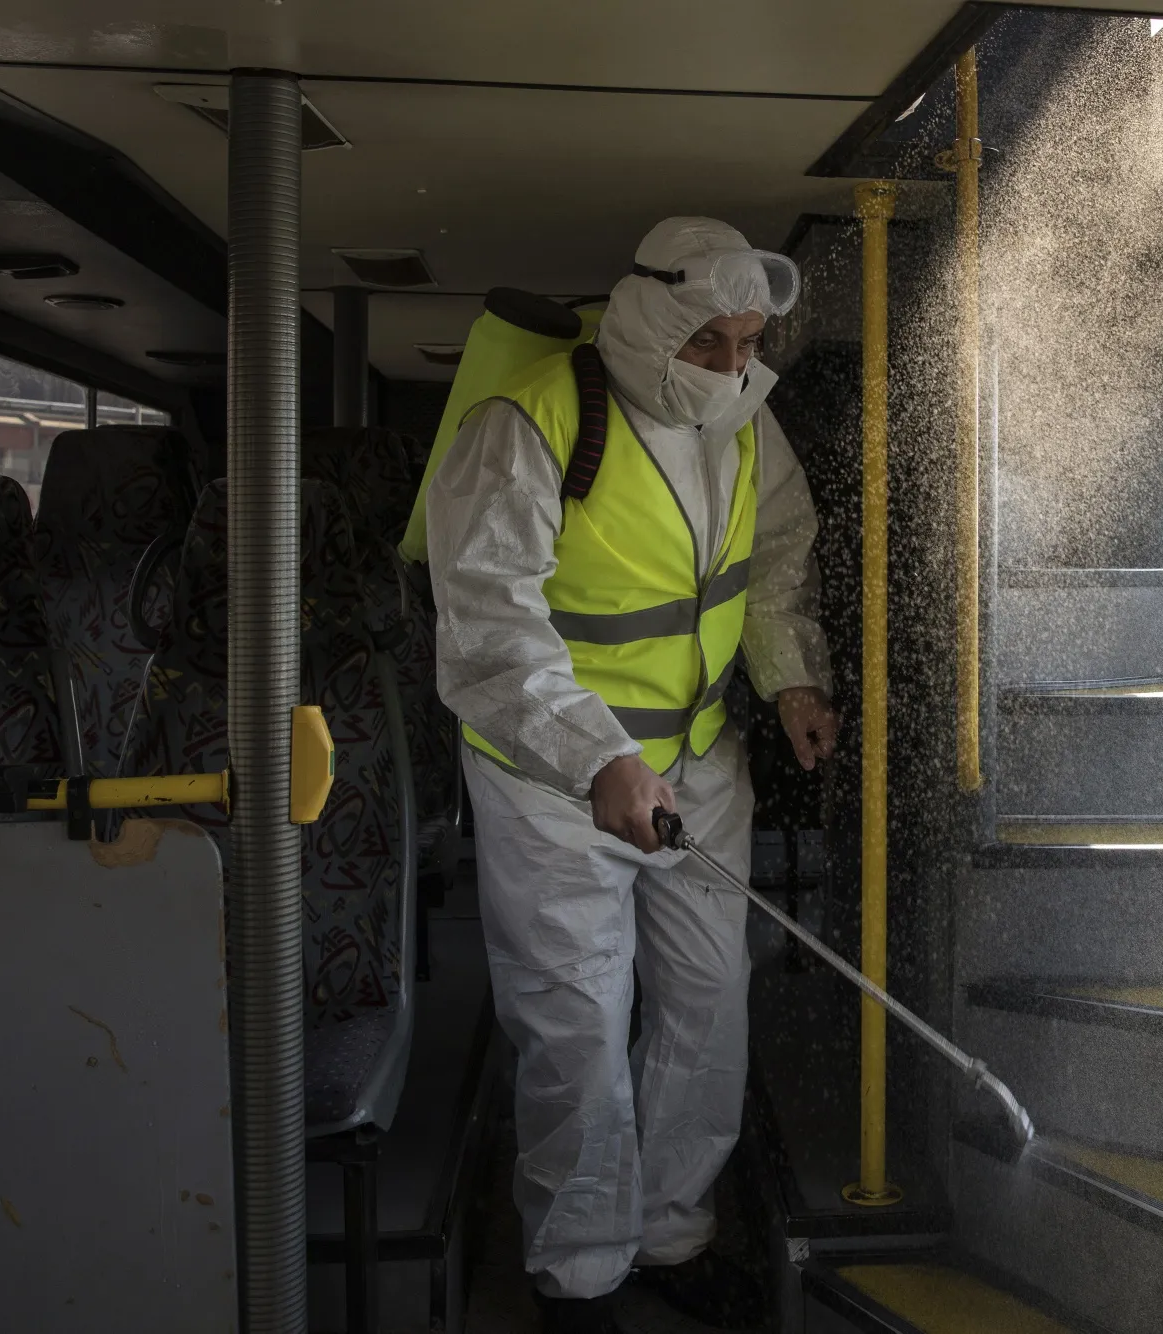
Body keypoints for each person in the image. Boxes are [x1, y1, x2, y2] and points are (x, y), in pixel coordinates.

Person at [426, 217, 837, 1333]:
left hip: (700, 756)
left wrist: (791, 679)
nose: (730, 366)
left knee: (708, 1002)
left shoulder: (748, 421)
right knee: (576, 1023)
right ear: (651, 316)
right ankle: (577, 1270)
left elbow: (775, 559)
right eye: (709, 341)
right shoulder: (528, 422)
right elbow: (485, 630)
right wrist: (595, 753)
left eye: (749, 343)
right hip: (550, 778)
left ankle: (669, 1229)